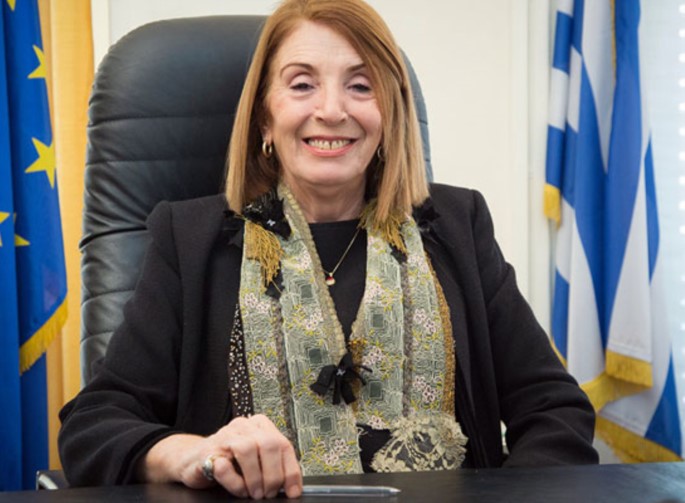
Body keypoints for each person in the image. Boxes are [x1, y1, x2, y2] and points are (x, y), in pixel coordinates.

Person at [59, 0, 599, 499]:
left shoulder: (459, 226)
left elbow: (554, 410)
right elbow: (95, 425)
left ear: (389, 114)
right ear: (265, 117)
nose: (332, 109)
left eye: (361, 86)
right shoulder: (191, 240)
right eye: (302, 85)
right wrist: (194, 454)